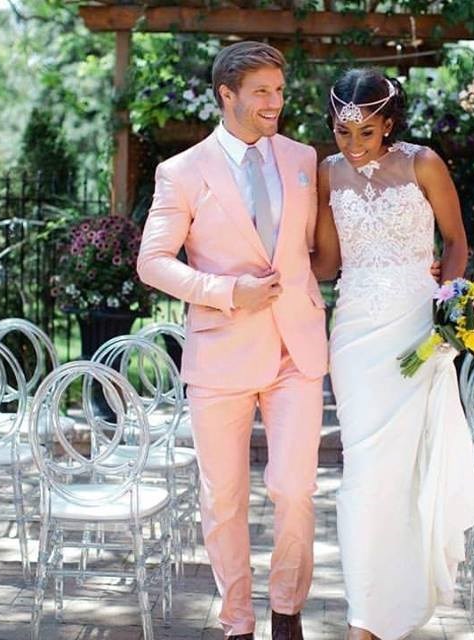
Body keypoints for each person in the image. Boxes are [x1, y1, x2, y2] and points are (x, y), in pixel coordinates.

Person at [137, 41, 327, 640]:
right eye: (263, 92)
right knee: (225, 500)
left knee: (294, 489)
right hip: (220, 352)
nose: (276, 102)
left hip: (296, 348)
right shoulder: (182, 171)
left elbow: (320, 250)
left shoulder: (302, 157)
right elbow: (153, 263)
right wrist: (225, 290)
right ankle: (238, 622)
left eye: (279, 89)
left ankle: (288, 610)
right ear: (228, 96)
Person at [310, 68, 474, 640]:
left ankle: (395, 601)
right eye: (343, 132)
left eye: (366, 132)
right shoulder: (327, 173)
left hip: (416, 325)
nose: (354, 144)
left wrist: (447, 312)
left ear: (389, 124)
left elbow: (456, 241)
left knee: (406, 467)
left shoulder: (424, 164)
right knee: (363, 468)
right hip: (356, 330)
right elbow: (326, 265)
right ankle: (366, 609)